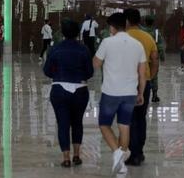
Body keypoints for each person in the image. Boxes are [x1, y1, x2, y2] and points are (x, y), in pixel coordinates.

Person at [93, 13, 147, 175]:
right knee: (125, 127)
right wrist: (141, 93)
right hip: (130, 93)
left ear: (112, 27)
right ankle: (121, 163)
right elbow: (142, 74)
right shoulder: (137, 45)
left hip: (111, 92)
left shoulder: (107, 42)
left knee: (104, 124)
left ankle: (117, 153)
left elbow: (95, 64)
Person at [43, 19, 93, 167]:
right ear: (78, 32)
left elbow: (46, 70)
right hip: (80, 90)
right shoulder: (84, 49)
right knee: (77, 122)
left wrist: (59, 74)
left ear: (62, 32)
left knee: (63, 123)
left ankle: (66, 158)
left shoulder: (55, 49)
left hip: (59, 90)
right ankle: (77, 155)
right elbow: (89, 72)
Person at [124, 8, 159, 166]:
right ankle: (140, 151)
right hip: (144, 82)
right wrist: (150, 75)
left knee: (129, 119)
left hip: (125, 84)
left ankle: (134, 153)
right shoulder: (148, 37)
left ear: (126, 21)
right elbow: (155, 59)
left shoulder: (120, 37)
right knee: (140, 118)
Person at [141, 15, 165, 103]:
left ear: (145, 22)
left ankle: (143, 93)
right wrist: (162, 56)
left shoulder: (142, 31)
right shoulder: (157, 32)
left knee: (143, 75)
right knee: (154, 76)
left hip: (144, 57)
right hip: (154, 57)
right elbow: (160, 45)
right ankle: (155, 95)